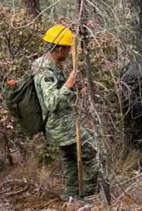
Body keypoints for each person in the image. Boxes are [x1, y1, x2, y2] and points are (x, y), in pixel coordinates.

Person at [32, 24, 100, 201]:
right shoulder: (45, 70)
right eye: (68, 49)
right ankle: (91, 193)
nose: (69, 52)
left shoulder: (46, 64)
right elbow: (51, 102)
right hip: (61, 126)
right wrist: (68, 85)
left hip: (59, 124)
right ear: (59, 48)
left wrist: (72, 87)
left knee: (69, 158)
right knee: (91, 153)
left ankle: (71, 193)